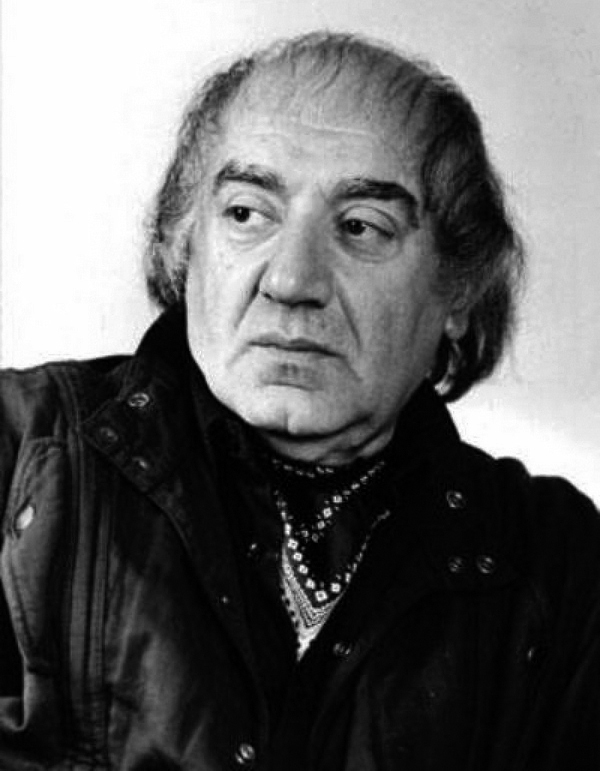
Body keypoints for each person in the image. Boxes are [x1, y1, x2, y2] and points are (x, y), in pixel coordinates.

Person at [0, 31, 598, 771]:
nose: (291, 280)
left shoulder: (558, 565)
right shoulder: (21, 451)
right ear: (184, 245)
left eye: (361, 227)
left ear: (459, 288)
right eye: (247, 213)